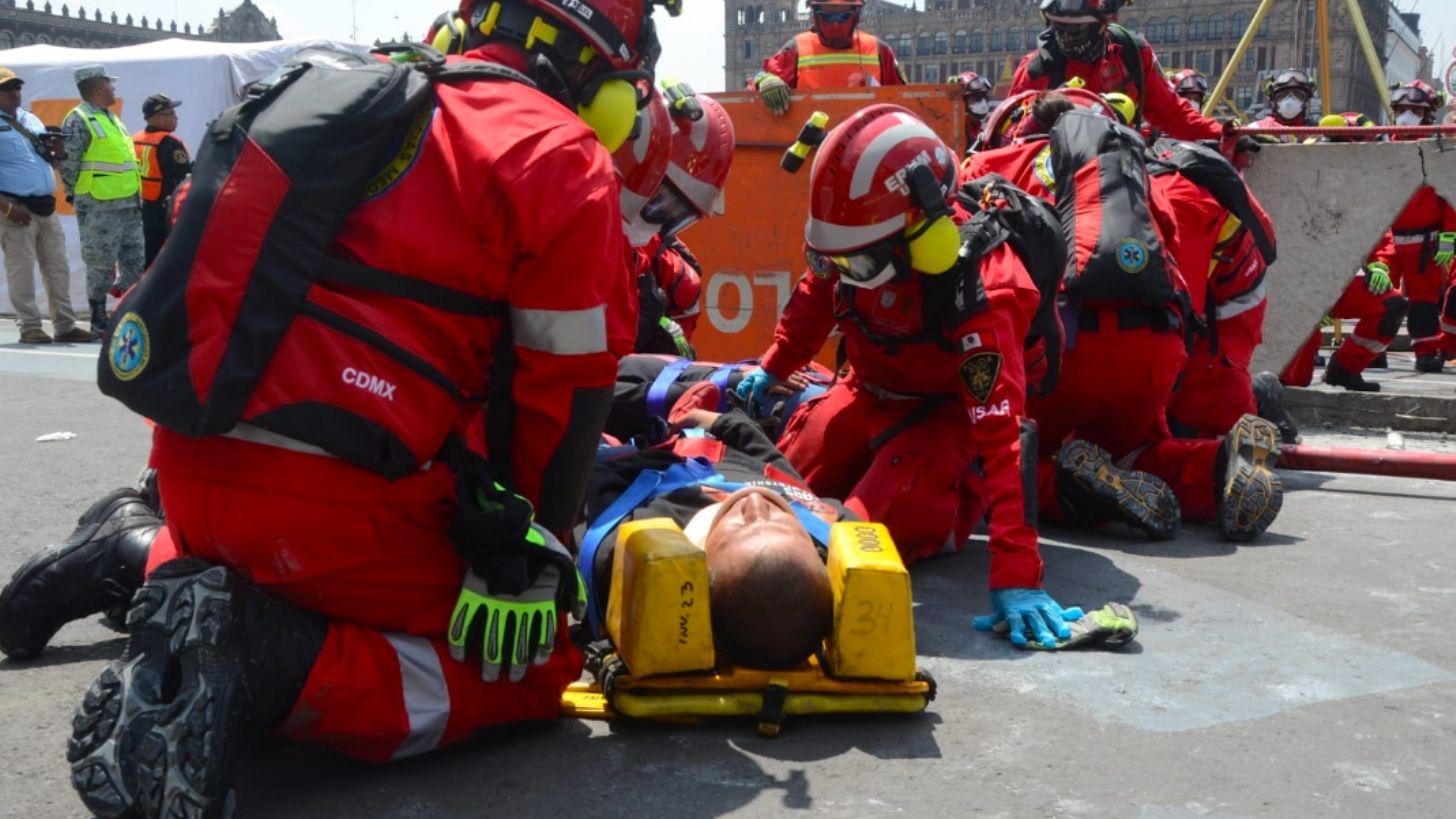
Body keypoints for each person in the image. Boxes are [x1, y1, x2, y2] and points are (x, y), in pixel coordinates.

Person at [63, 1, 667, 815]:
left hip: (189, 477)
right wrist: (533, 554)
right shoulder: (554, 151)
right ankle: (265, 662)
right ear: (598, 79)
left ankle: (137, 547)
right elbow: (565, 393)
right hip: (329, 522)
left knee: (251, 545)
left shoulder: (326, 89)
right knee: (533, 668)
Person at [734, 104, 1083, 649]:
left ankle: (961, 506)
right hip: (866, 389)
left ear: (924, 233)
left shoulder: (986, 287)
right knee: (773, 497)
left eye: (857, 266)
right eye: (830, 259)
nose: (844, 274)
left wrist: (1017, 573)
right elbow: (817, 295)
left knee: (849, 537)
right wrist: (773, 367)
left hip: (945, 419)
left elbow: (1000, 433)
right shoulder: (859, 241)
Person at [967, 92, 1284, 543]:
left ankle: (1069, 490)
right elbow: (1212, 278)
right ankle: (1216, 466)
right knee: (1137, 451)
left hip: (1058, 357)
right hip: (1151, 353)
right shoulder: (1148, 177)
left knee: (984, 458)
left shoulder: (991, 166)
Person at [1010, 0, 1223, 142]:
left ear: (1105, 24)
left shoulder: (1132, 53)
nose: (1068, 37)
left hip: (1123, 168)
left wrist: (1224, 136)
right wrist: (1039, 118)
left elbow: (1172, 112)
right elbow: (1008, 134)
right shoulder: (1036, 70)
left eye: (1078, 29)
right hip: (1055, 176)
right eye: (1060, 29)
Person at [628, 91, 735, 354]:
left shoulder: (671, 269)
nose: (659, 218)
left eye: (675, 212)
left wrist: (667, 344)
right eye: (658, 197)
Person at [0, 66, 98, 344]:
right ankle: (30, 326)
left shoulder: (30, 119)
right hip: (15, 207)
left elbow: (48, 161)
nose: (15, 93)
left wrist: (59, 153)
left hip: (45, 205)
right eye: (6, 89)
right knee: (21, 270)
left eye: (17, 87)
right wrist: (6, 208)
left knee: (57, 267)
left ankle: (65, 325)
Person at [1368, 81, 1455, 374]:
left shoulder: (1438, 150)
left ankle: (1427, 351)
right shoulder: (1383, 146)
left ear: (1428, 114)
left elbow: (1450, 197)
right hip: (1387, 239)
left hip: (1425, 241)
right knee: (1380, 297)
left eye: (1415, 111)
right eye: (1402, 109)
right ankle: (1371, 350)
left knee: (1424, 301)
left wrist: (1448, 236)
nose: (1407, 116)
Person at [59, 65, 145, 335]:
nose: (113, 88)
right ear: (99, 87)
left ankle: (127, 309)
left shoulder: (113, 119)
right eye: (110, 84)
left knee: (136, 261)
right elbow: (69, 164)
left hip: (129, 202)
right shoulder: (77, 120)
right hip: (99, 204)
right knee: (100, 264)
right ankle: (98, 317)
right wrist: (77, 195)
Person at [752, 0, 905, 116]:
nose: (835, 25)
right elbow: (752, 90)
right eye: (826, 17)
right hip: (811, 143)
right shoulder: (795, 49)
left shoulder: (879, 51)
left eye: (844, 17)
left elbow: (905, 101)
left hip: (867, 143)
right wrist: (763, 80)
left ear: (856, 17)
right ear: (814, 17)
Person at [131, 93, 191, 266]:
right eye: (171, 114)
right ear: (158, 118)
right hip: (168, 210)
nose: (176, 118)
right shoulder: (170, 143)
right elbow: (186, 179)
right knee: (171, 260)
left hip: (145, 209)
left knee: (150, 258)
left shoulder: (135, 139)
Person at [1247, 68, 1316, 138]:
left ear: (1306, 102)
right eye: (1283, 94)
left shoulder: (1316, 133)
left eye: (1298, 94)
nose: (1290, 100)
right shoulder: (1256, 129)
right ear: (1273, 101)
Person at [952, 70, 994, 153]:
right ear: (962, 101)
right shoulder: (953, 131)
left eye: (984, 97)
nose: (983, 103)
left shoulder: (980, 129)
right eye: (976, 98)